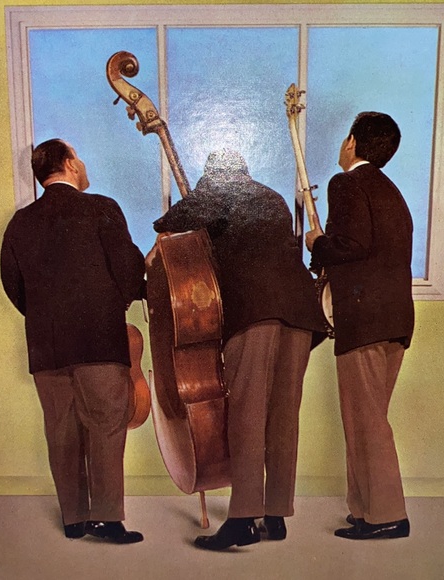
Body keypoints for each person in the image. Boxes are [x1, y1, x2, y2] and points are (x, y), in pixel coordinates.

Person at [153, 149, 327, 551]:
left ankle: (243, 519)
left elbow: (172, 221)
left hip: (255, 313)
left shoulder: (219, 190)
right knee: (283, 415)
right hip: (301, 313)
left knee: (247, 415)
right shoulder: (272, 197)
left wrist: (177, 220)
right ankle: (275, 515)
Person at [0, 139, 146, 544]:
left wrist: (43, 316)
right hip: (98, 339)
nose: (82, 164)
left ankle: (75, 520)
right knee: (106, 424)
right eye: (78, 157)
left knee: (60, 430)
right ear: (68, 163)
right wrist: (118, 300)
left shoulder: (19, 223)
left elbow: (12, 283)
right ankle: (107, 520)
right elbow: (128, 271)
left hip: (46, 345)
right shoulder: (101, 207)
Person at [305, 112, 414, 540]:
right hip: (396, 320)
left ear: (351, 142)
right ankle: (365, 508)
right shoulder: (391, 191)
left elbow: (352, 245)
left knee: (366, 422)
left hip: (363, 321)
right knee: (368, 418)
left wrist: (317, 243)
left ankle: (387, 515)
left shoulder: (346, 182)